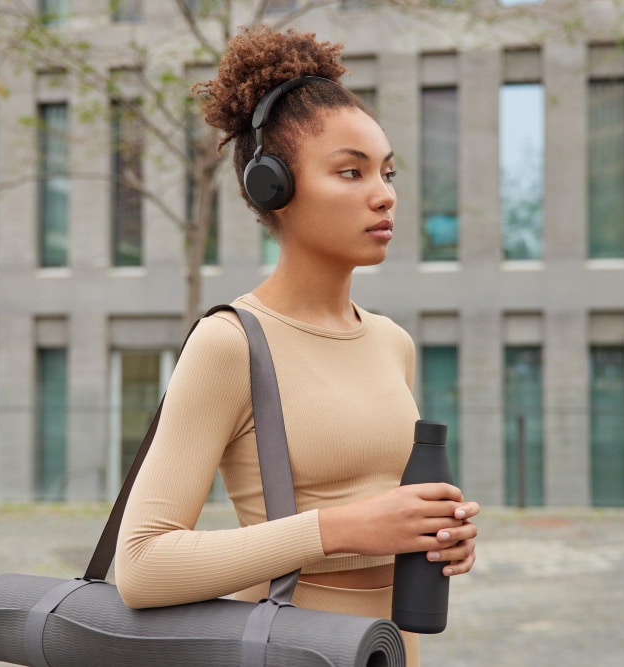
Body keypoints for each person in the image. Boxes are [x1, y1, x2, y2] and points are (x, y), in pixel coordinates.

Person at [115, 25, 480, 665]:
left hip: (393, 652)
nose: (384, 194)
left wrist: (436, 537)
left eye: (388, 172)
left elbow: (385, 513)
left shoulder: (394, 343)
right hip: (287, 649)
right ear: (273, 188)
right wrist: (341, 528)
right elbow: (142, 566)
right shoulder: (231, 343)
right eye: (351, 171)